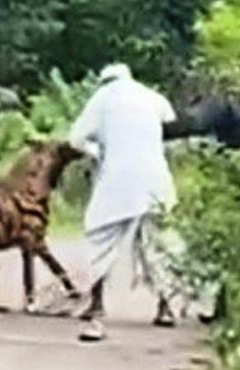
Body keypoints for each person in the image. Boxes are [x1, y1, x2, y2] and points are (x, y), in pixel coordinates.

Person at [68, 63, 179, 341]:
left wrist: (98, 152)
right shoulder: (151, 96)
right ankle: (166, 307)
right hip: (156, 179)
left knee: (99, 238)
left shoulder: (101, 99)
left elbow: (76, 139)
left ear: (104, 81)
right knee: (158, 243)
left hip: (117, 179)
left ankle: (96, 310)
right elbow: (170, 118)